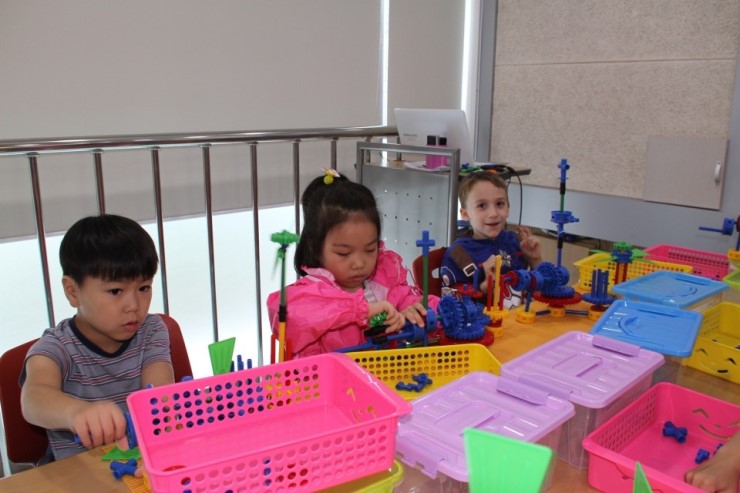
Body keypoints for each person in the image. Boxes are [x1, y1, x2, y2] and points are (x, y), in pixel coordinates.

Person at [20, 214, 175, 461]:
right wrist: (76, 412)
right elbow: (33, 399)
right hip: (79, 471)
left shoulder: (151, 330)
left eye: (144, 288)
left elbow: (159, 396)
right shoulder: (56, 347)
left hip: (141, 462)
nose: (134, 305)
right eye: (115, 291)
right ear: (73, 292)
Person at [266, 170, 438, 358]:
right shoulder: (311, 292)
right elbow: (287, 318)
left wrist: (415, 312)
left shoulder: (383, 279)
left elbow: (414, 301)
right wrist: (361, 310)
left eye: (370, 250)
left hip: (383, 373)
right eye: (344, 253)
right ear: (315, 248)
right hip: (328, 376)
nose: (359, 263)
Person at [440, 171, 542, 308]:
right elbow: (450, 305)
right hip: (487, 320)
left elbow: (540, 287)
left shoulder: (515, 241)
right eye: (482, 206)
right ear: (465, 214)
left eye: (499, 204)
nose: (493, 214)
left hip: (524, 316)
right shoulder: (458, 254)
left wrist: (535, 260)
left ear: (508, 208)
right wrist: (484, 287)